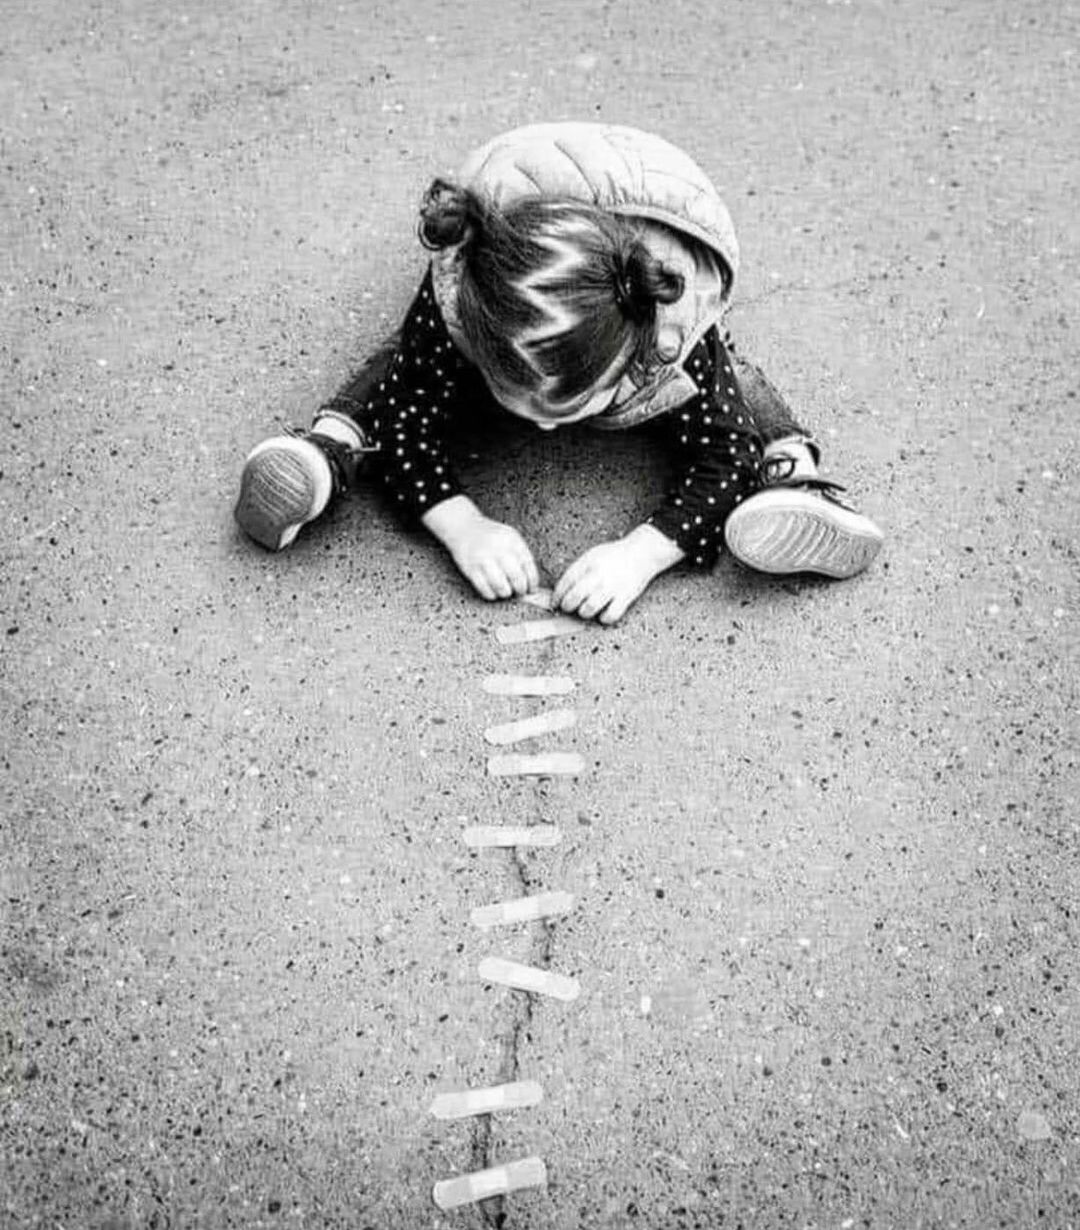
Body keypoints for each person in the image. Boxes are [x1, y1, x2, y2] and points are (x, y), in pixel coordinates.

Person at [234, 122, 883, 624]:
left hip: (656, 200)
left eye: (569, 407)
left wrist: (643, 554)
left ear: (630, 360)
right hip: (526, 196)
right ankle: (329, 446)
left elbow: (721, 452)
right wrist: (461, 524)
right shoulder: (464, 299)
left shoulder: (664, 326)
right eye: (519, 399)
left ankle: (794, 473)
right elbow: (410, 424)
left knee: (722, 371)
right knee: (413, 358)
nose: (541, 425)